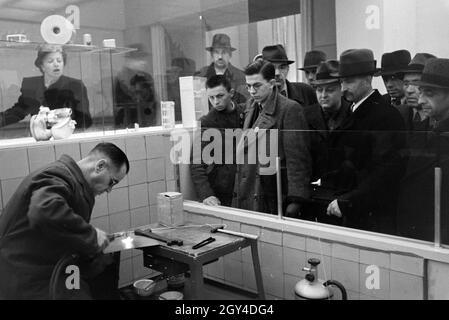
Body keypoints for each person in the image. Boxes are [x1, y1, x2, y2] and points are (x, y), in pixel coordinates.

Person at [0, 142, 129, 299]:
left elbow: (62, 233)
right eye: (112, 182)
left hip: (51, 271)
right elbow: (43, 209)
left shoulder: (76, 186)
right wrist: (92, 235)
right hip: (24, 277)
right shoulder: (57, 176)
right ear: (100, 166)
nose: (109, 190)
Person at [324, 49, 407, 234]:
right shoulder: (352, 111)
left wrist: (349, 200)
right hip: (349, 209)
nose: (344, 88)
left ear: (368, 79)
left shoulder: (385, 116)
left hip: (373, 215)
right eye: (342, 81)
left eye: (350, 81)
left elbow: (386, 171)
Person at [232, 60, 311, 217]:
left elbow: (297, 160)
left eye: (257, 86)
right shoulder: (251, 106)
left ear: (272, 83)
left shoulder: (289, 109)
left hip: (272, 191)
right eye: (248, 86)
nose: (251, 91)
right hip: (250, 186)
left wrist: (296, 199)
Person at [396, 58, 449, 241]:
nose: (420, 100)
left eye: (429, 93)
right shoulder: (423, 126)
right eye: (421, 92)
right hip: (418, 232)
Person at [302, 60, 351, 225]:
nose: (323, 95)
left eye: (330, 90)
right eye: (319, 90)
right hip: (315, 194)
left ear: (341, 89)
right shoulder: (306, 116)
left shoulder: (353, 114)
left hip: (344, 196)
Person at [0, 44, 92, 129]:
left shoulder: (75, 85)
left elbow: (85, 120)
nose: (56, 64)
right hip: (40, 138)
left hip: (66, 136)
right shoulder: (32, 85)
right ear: (42, 66)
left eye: (59, 61)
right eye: (50, 61)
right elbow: (18, 112)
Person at [190, 75, 245, 207]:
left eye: (220, 96)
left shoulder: (246, 112)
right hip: (224, 190)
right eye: (211, 97)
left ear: (231, 93)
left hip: (248, 186)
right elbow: (196, 163)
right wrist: (206, 194)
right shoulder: (206, 122)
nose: (215, 102)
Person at [114, 44, 160, 128]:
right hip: (129, 125)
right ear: (130, 60)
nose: (144, 62)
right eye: (139, 59)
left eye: (143, 58)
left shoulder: (146, 77)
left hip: (146, 123)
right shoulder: (122, 78)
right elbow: (124, 104)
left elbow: (152, 102)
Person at [196, 33, 249, 104]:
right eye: (216, 52)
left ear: (230, 54)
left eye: (224, 52)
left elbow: (246, 103)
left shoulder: (241, 76)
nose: (220, 56)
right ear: (212, 55)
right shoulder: (201, 76)